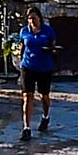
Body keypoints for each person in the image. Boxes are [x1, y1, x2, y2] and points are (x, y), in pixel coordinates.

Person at [16, 9, 59, 142]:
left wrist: (51, 51)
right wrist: (20, 61)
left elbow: (53, 47)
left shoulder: (48, 31)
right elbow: (22, 46)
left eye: (34, 18)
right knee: (27, 97)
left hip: (44, 67)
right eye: (29, 18)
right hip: (28, 67)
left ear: (40, 18)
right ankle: (26, 128)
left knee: (44, 96)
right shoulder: (24, 31)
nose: (32, 21)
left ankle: (45, 116)